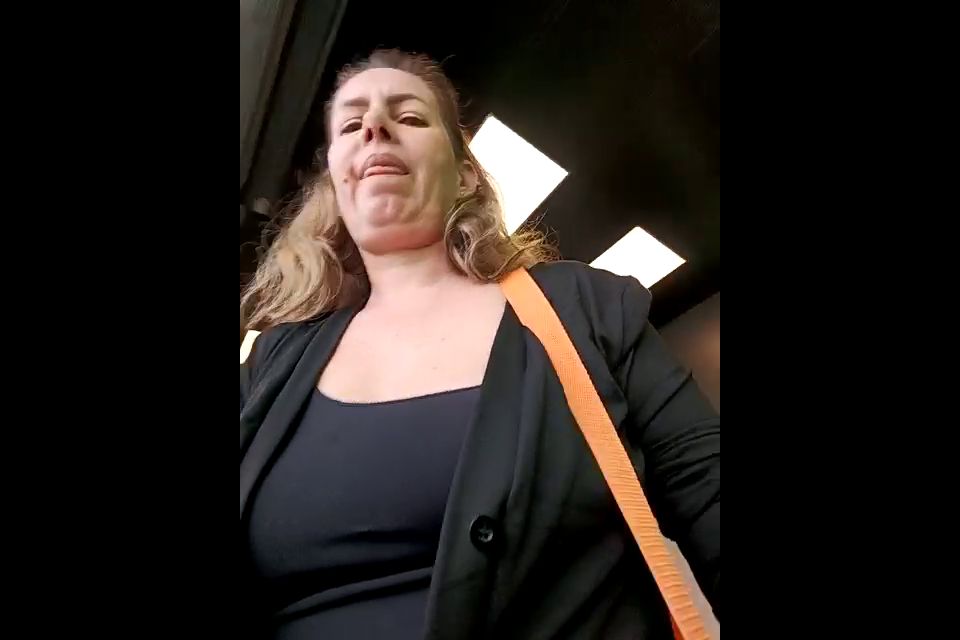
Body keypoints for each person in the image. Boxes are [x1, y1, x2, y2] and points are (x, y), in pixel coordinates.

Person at [240, 49, 720, 640]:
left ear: (465, 175)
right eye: (350, 123)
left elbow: (709, 490)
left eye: (409, 117)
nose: (374, 126)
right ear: (336, 180)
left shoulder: (585, 308)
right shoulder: (273, 362)